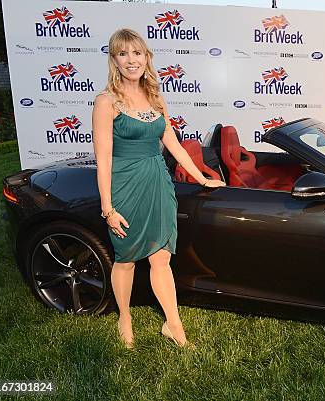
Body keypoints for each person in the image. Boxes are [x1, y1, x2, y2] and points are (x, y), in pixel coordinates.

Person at [92, 28, 225, 349]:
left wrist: (201, 178)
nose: (131, 60)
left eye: (136, 53)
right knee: (125, 258)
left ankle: (173, 324)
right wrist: (107, 208)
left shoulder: (155, 97)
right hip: (125, 185)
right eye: (123, 54)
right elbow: (104, 159)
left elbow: (174, 145)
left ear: (146, 57)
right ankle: (124, 316)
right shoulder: (105, 102)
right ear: (114, 60)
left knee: (161, 258)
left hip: (157, 183)